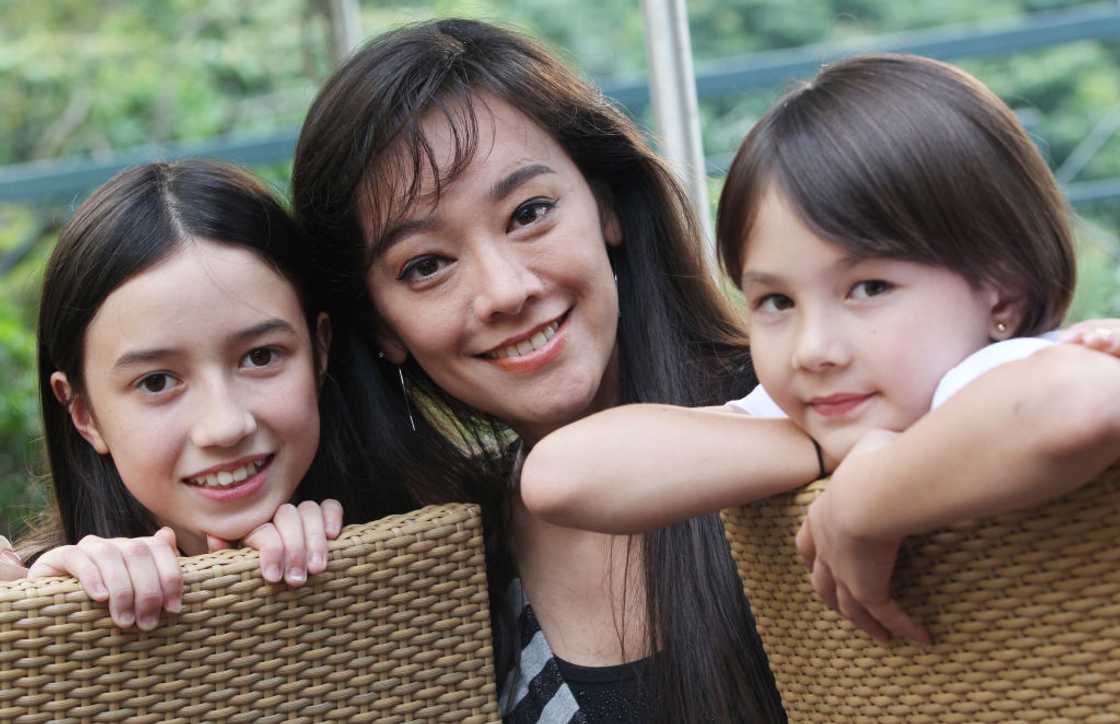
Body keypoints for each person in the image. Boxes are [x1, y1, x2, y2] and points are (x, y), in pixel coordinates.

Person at [291, 18, 798, 724]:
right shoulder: (425, 560)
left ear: (607, 204)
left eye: (529, 213)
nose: (505, 291)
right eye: (427, 266)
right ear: (380, 326)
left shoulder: (802, 397)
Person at [519, 54, 1120, 644]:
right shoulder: (822, 411)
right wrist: (829, 450)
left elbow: (1089, 402)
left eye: (869, 288)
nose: (813, 349)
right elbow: (562, 476)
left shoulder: (984, 374)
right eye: (776, 302)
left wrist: (867, 498)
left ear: (1002, 295)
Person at [27, 160, 411, 631]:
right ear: (84, 414)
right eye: (156, 382)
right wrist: (39, 624)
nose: (225, 426)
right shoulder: (33, 590)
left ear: (320, 350)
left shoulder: (456, 548)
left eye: (260, 357)